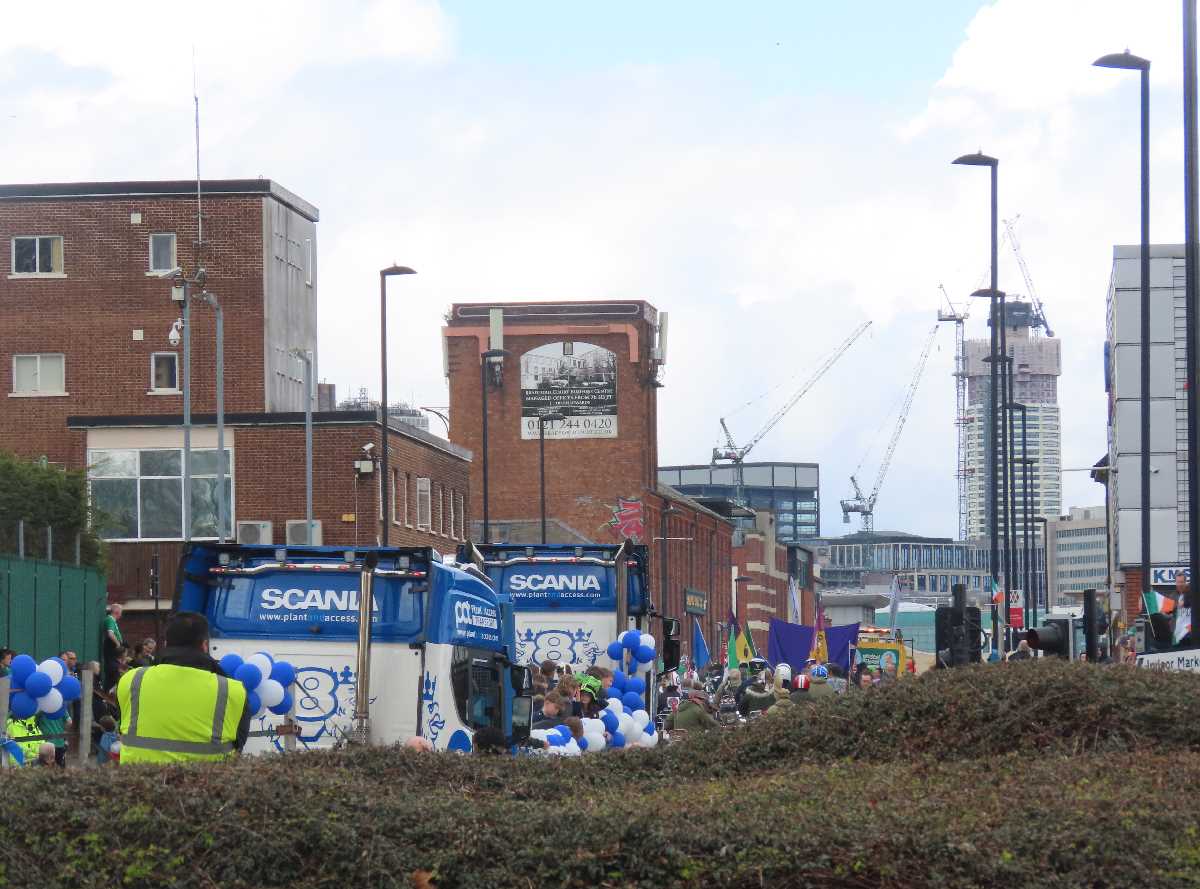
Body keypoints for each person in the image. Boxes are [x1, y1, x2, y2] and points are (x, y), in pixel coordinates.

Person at [116, 611, 250, 764]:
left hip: (135, 784)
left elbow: (122, 727)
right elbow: (239, 744)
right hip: (208, 784)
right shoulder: (232, 690)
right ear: (204, 645)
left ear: (165, 643)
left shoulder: (131, 680)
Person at [37, 701, 70, 767]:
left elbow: (34, 723)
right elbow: (69, 721)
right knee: (60, 768)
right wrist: (63, 730)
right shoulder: (60, 706)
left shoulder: (41, 708)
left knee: (46, 768)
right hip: (60, 743)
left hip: (46, 746)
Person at [102, 604, 124, 691]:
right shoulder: (110, 620)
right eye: (121, 612)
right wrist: (118, 644)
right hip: (111, 648)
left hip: (113, 649)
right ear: (116, 611)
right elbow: (110, 633)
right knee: (113, 669)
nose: (121, 615)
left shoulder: (112, 621)